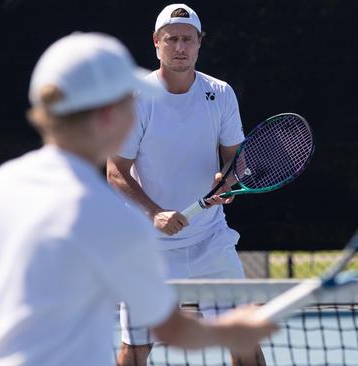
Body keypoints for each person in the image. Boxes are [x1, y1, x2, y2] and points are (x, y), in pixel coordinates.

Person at [0, 32, 275, 366]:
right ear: (106, 115)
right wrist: (233, 330)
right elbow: (172, 330)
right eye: (126, 105)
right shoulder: (107, 216)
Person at [107, 4, 267, 366]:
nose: (180, 47)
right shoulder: (136, 99)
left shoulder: (220, 93)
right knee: (135, 350)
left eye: (187, 40)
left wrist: (228, 178)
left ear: (199, 44)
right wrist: (154, 213)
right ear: (156, 43)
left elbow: (234, 158)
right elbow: (115, 171)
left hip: (212, 241)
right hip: (150, 248)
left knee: (245, 340)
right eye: (172, 39)